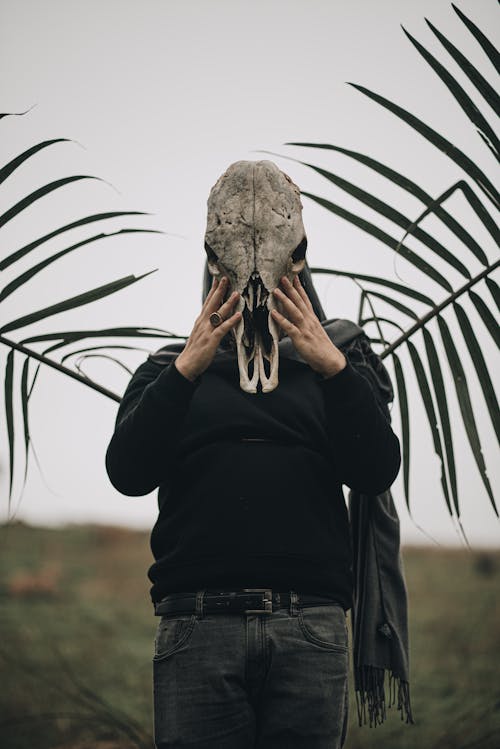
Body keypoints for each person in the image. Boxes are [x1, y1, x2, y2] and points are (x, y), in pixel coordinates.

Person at [105, 161, 402, 749]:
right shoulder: (167, 370)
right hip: (197, 626)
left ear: (300, 260)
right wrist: (187, 370)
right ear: (212, 263)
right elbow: (128, 473)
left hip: (310, 629)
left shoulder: (342, 361)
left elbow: (375, 469)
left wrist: (336, 370)